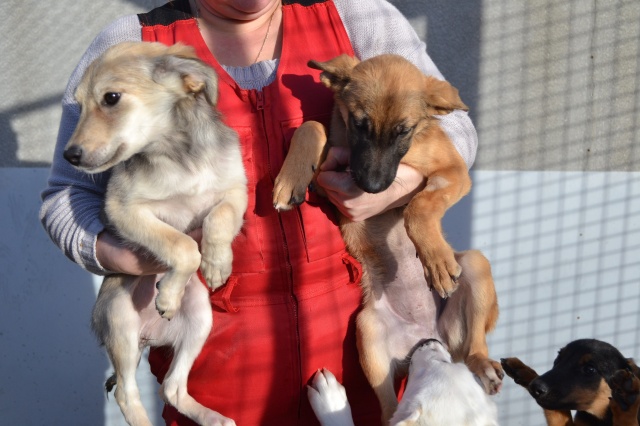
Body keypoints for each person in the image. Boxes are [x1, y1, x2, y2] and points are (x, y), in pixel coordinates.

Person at [40, 0, 478, 424]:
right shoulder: (135, 43)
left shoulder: (357, 14)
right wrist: (133, 256)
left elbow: (455, 128)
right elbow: (66, 196)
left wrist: (395, 190)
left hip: (357, 352)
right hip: (219, 363)